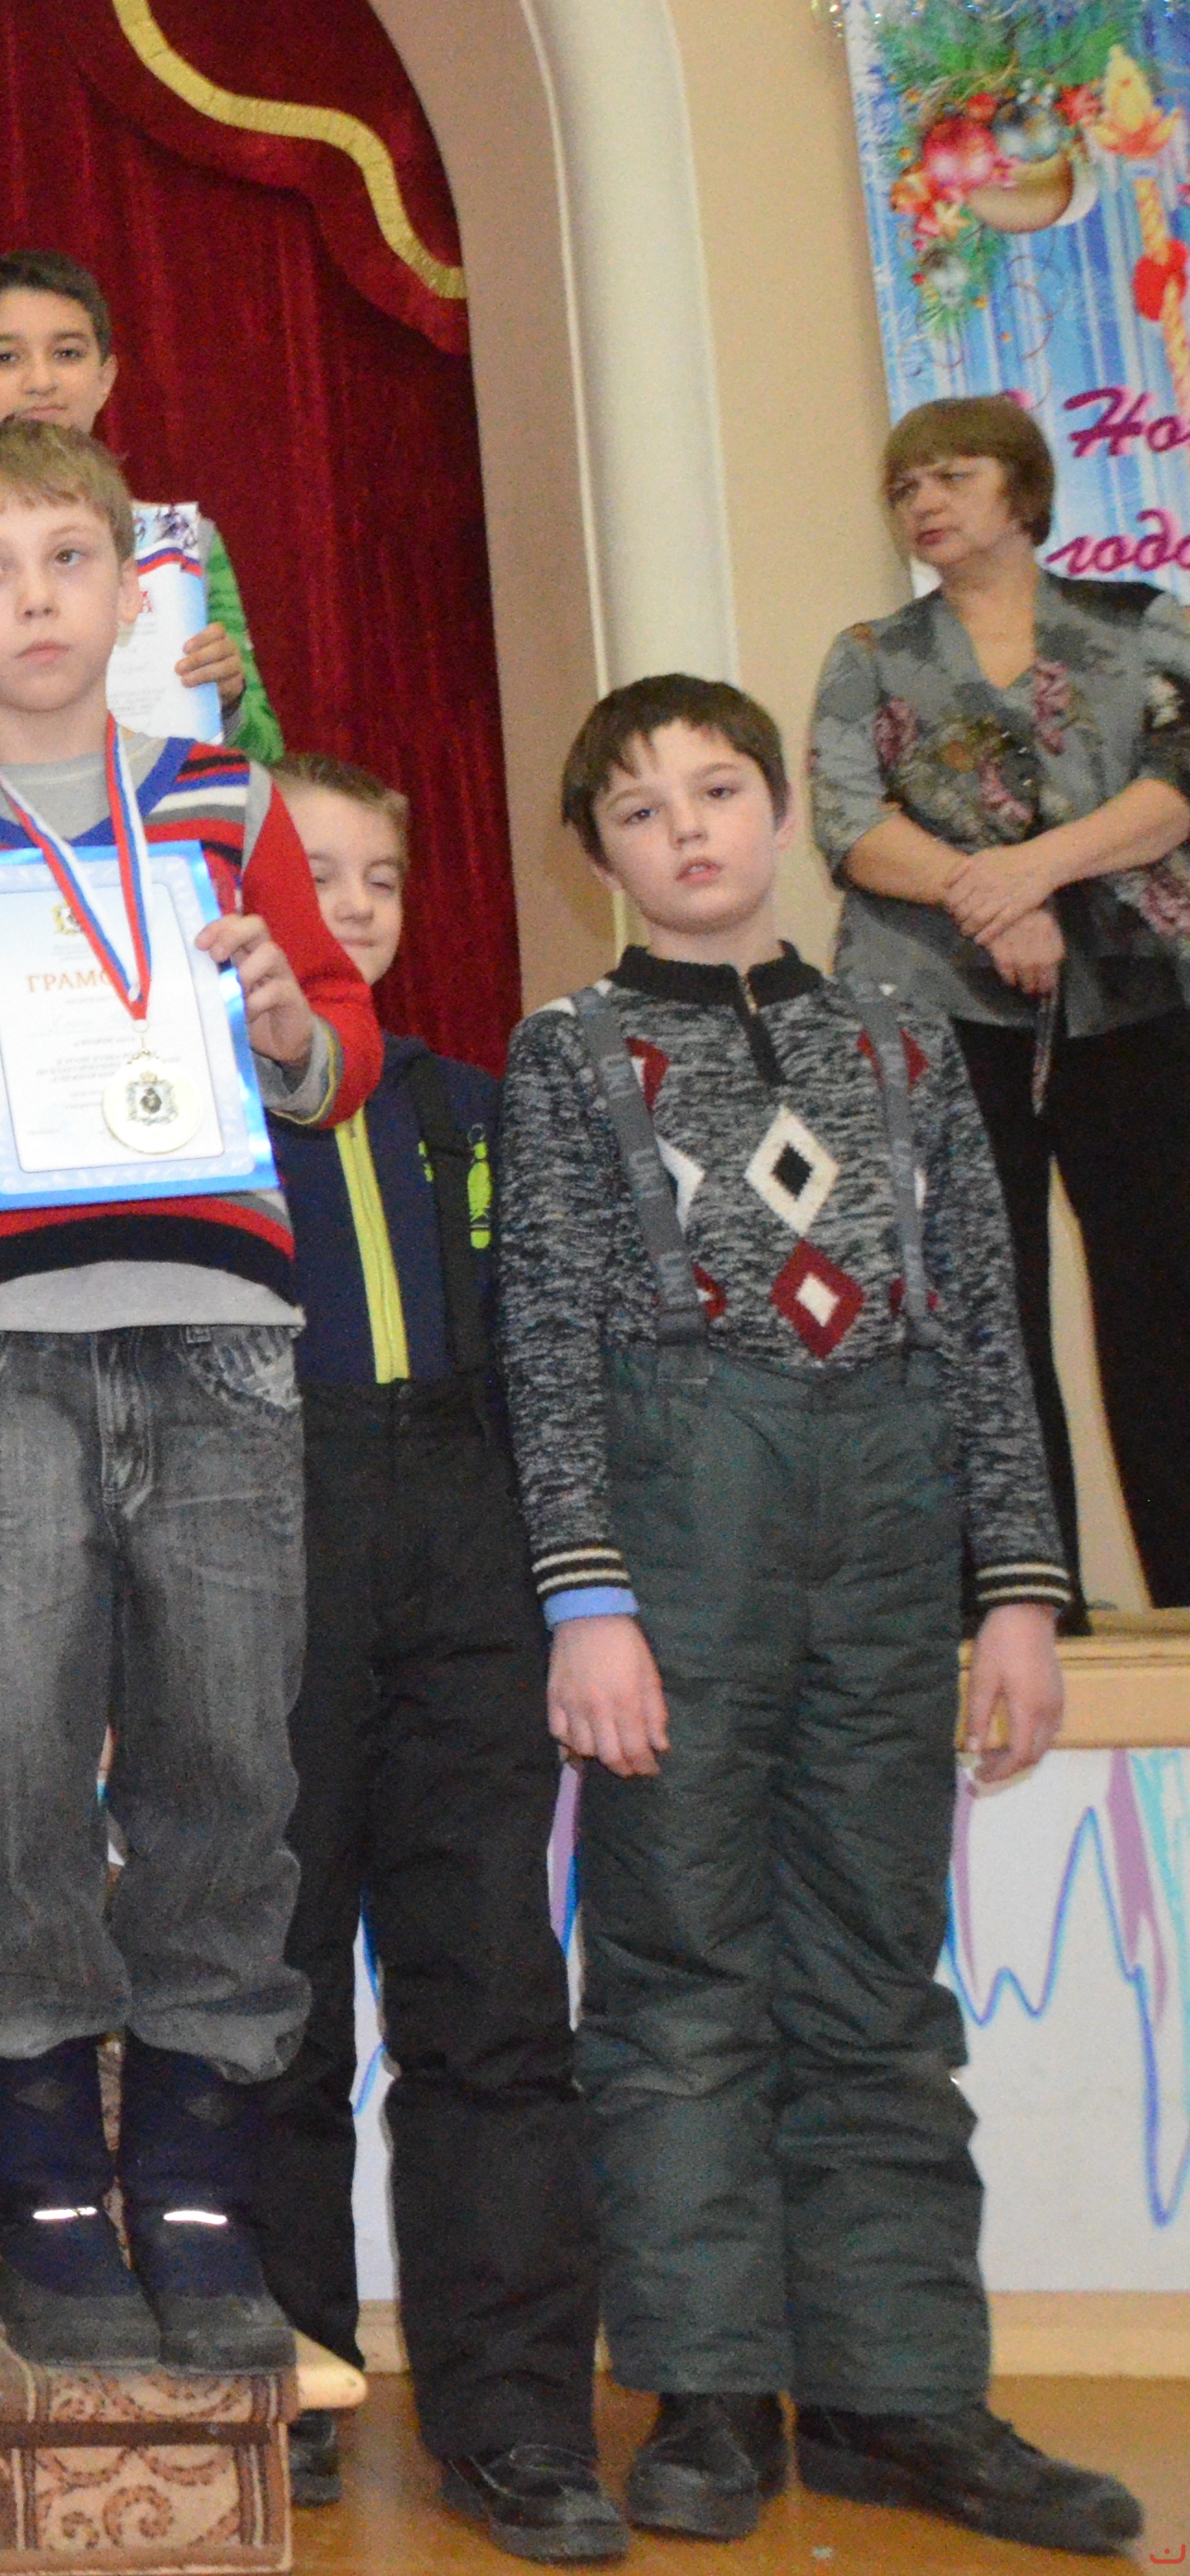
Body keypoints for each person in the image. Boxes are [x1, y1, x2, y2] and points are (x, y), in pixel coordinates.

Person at [503, 677, 1140, 2558]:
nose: (685, 830)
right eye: (639, 810)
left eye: (716, 790)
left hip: (885, 1531)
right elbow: (543, 1341)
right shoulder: (566, 1051)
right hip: (676, 1529)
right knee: (677, 1973)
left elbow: (985, 1328)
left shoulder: (901, 1040)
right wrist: (585, 1597)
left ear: (780, 809)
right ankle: (707, 2388)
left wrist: (1012, 1592)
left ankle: (894, 2388)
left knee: (874, 1971)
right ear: (596, 852)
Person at [0, 417, 376, 2374]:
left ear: (135, 586)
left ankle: (199, 2196)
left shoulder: (228, 803)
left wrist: (288, 1019)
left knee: (226, 1764)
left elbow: (344, 1044)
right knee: (7, 1764)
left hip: (218, 1329)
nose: (34, 599)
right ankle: (50, 2195)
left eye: (68, 558)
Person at [244, 756, 613, 2560]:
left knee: (490, 1996)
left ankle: (515, 2419)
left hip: (467, 1554)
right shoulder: (184, 1121)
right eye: (310, 871)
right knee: (271, 2000)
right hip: (268, 1545)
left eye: (379, 876)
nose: (353, 904)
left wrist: (577, 1593)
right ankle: (289, 2382)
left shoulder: (472, 1106)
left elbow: (554, 1364)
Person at [807, 392, 1190, 1607]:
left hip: (1137, 999)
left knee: (1165, 1296)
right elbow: (848, 825)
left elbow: (1177, 786)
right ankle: (1024, 1600)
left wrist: (1029, 873)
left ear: (1021, 491)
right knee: (983, 1305)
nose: (923, 502)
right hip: (938, 1014)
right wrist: (992, 901)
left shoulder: (1140, 621)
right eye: (904, 487)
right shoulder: (871, 653)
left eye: (951, 476)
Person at [0, 250, 279, 809]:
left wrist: (227, 702)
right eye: (6, 357)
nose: (41, 381)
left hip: (161, 834)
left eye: (67, 353)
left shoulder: (186, 547)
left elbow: (268, 762)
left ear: (105, 378)